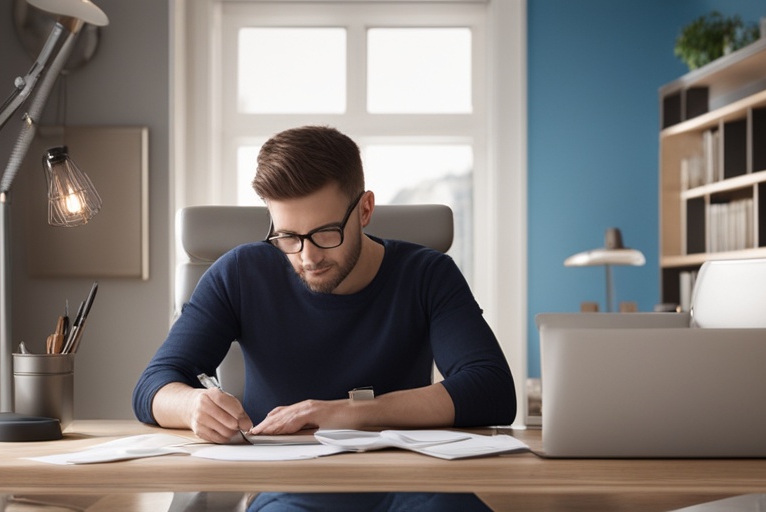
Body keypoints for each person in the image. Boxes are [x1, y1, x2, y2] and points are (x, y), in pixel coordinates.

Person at [132, 125, 515, 510]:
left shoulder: (428, 274)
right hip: (291, 490)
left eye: (326, 232)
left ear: (365, 210)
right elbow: (154, 385)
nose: (307, 256)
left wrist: (345, 413)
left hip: (412, 482)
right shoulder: (239, 274)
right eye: (287, 237)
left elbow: (491, 390)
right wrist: (192, 406)